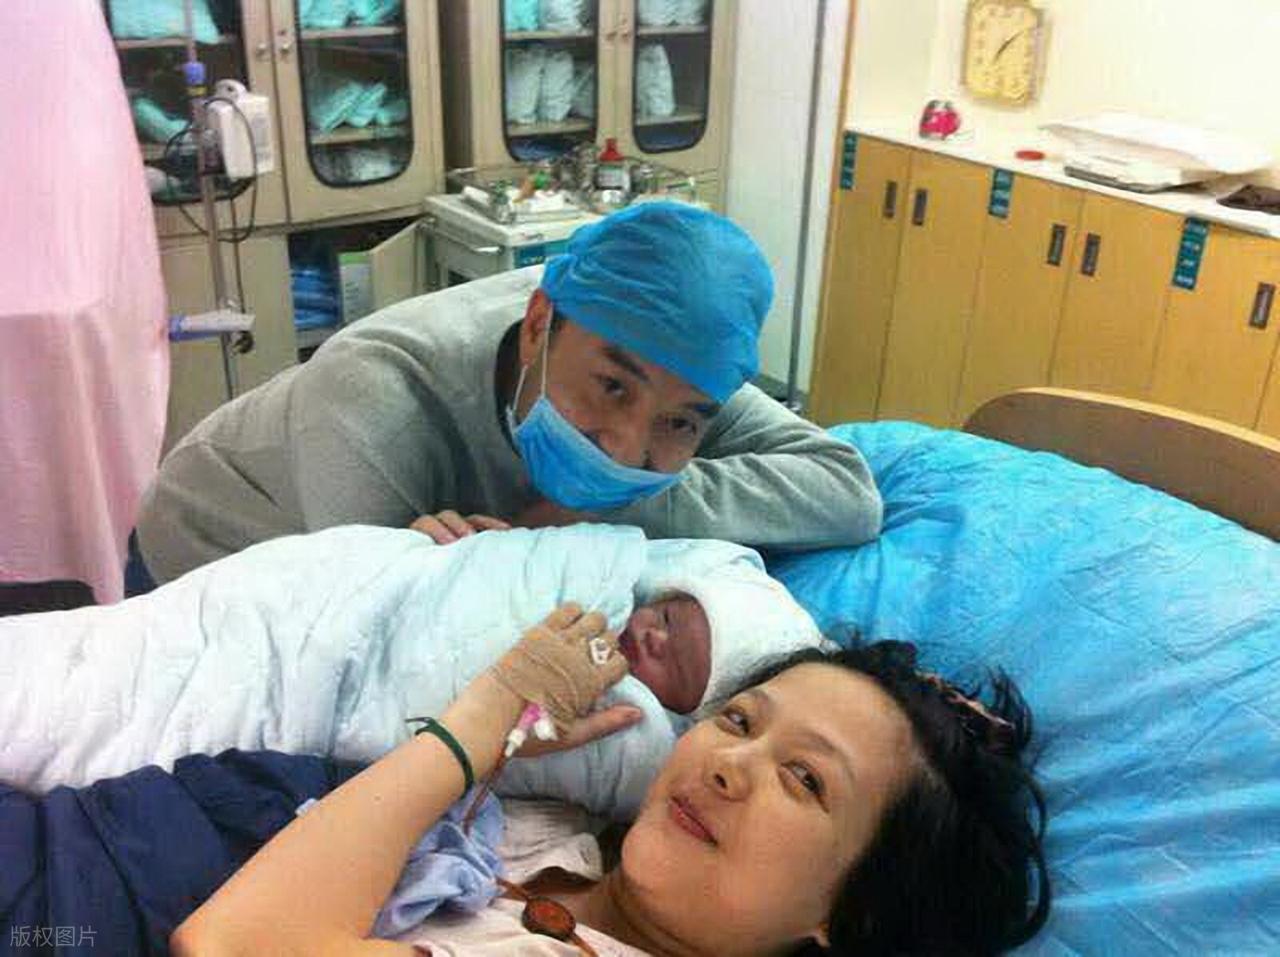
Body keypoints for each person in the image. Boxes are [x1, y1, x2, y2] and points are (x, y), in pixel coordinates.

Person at [173, 607, 1050, 956]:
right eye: (739, 719)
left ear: (851, 913)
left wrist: (484, 718)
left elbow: (233, 946)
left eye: (805, 779)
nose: (729, 763)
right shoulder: (553, 823)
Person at [136, 203, 883, 584]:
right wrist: (508, 551)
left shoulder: (675, 361)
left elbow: (846, 493)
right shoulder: (377, 395)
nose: (626, 446)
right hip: (213, 538)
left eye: (681, 423)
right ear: (536, 326)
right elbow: (379, 638)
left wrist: (609, 508)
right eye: (611, 387)